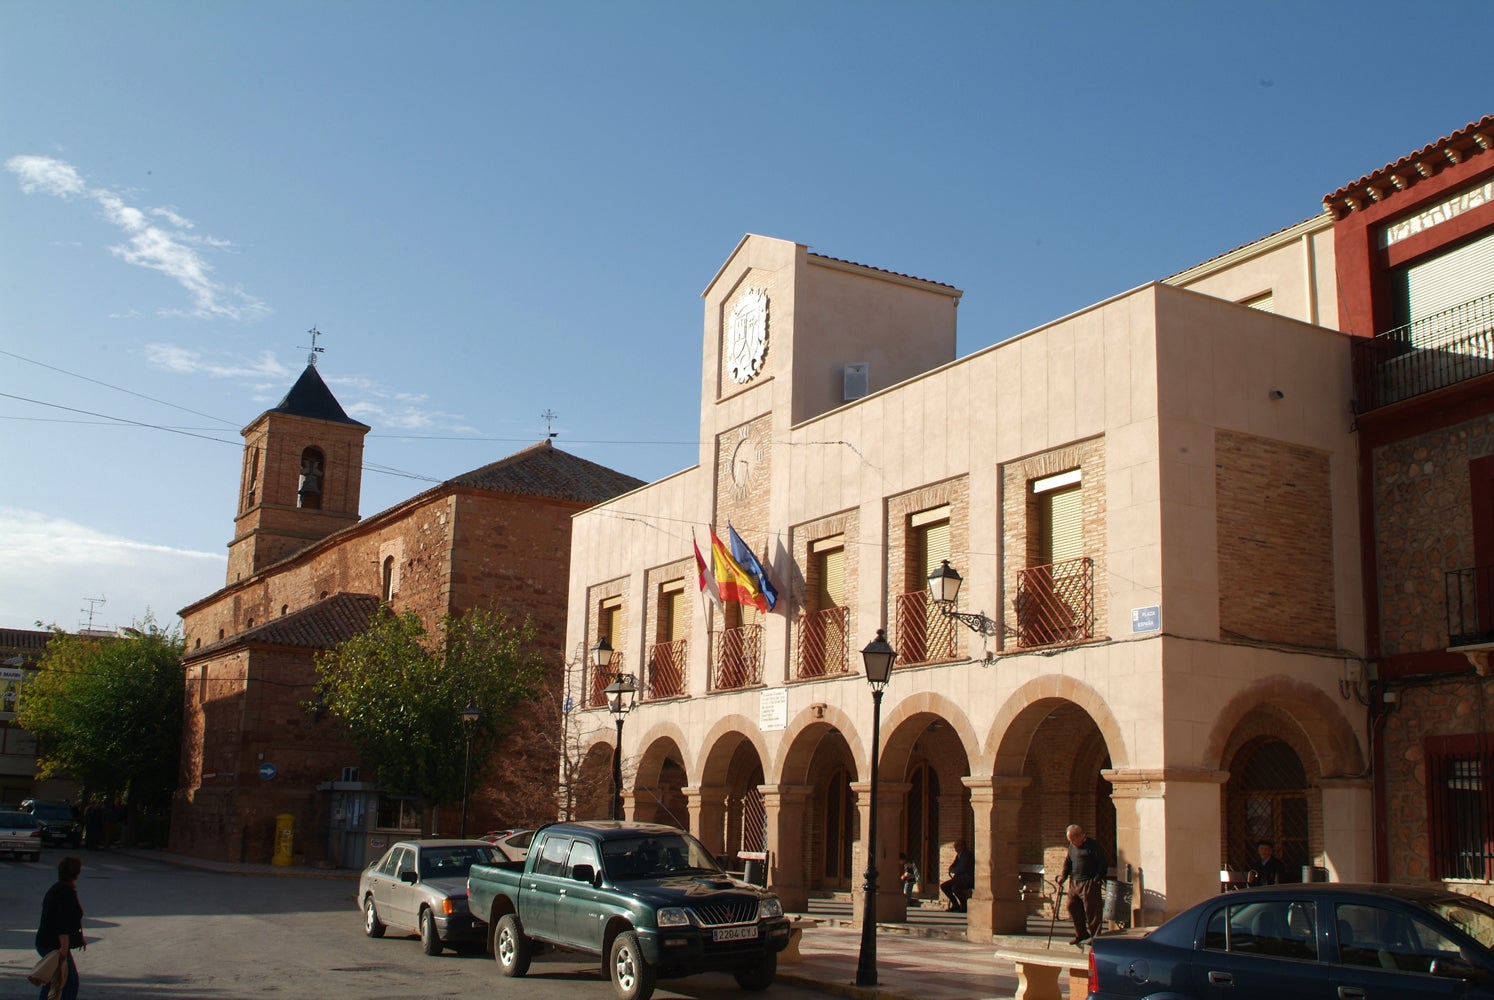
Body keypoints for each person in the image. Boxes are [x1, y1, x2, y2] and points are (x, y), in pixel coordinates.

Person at [35, 855, 85, 1000]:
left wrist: (78, 937)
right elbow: (61, 922)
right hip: (54, 945)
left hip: (48, 942)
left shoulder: (58, 889)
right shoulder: (65, 892)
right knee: (69, 982)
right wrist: (64, 948)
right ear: (76, 874)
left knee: (55, 982)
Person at [1057, 823, 1108, 945]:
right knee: (1071, 906)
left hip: (1089, 882)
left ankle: (1095, 937)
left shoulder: (1092, 845)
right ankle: (1081, 934)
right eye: (1070, 840)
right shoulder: (1072, 847)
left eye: (1074, 840)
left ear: (1080, 836)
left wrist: (1096, 879)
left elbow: (1103, 863)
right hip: (1075, 882)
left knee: (1092, 911)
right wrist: (1063, 876)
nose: (1072, 843)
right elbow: (1068, 862)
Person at [941, 839, 974, 912]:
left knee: (956, 888)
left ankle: (964, 906)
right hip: (959, 878)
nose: (955, 847)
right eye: (955, 846)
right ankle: (955, 904)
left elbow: (962, 868)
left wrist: (953, 870)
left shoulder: (967, 855)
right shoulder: (958, 855)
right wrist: (951, 868)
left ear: (963, 846)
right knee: (944, 886)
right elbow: (953, 865)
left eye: (957, 846)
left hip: (967, 878)